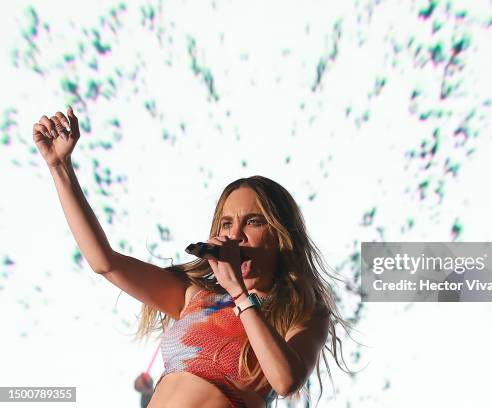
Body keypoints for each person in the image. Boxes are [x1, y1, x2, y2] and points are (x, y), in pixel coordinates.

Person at [33, 107, 356, 408]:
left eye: (253, 222)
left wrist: (240, 294)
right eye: (227, 224)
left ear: (280, 234)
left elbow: (285, 381)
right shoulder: (196, 297)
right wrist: (61, 168)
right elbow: (105, 262)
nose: (236, 234)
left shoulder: (303, 311)